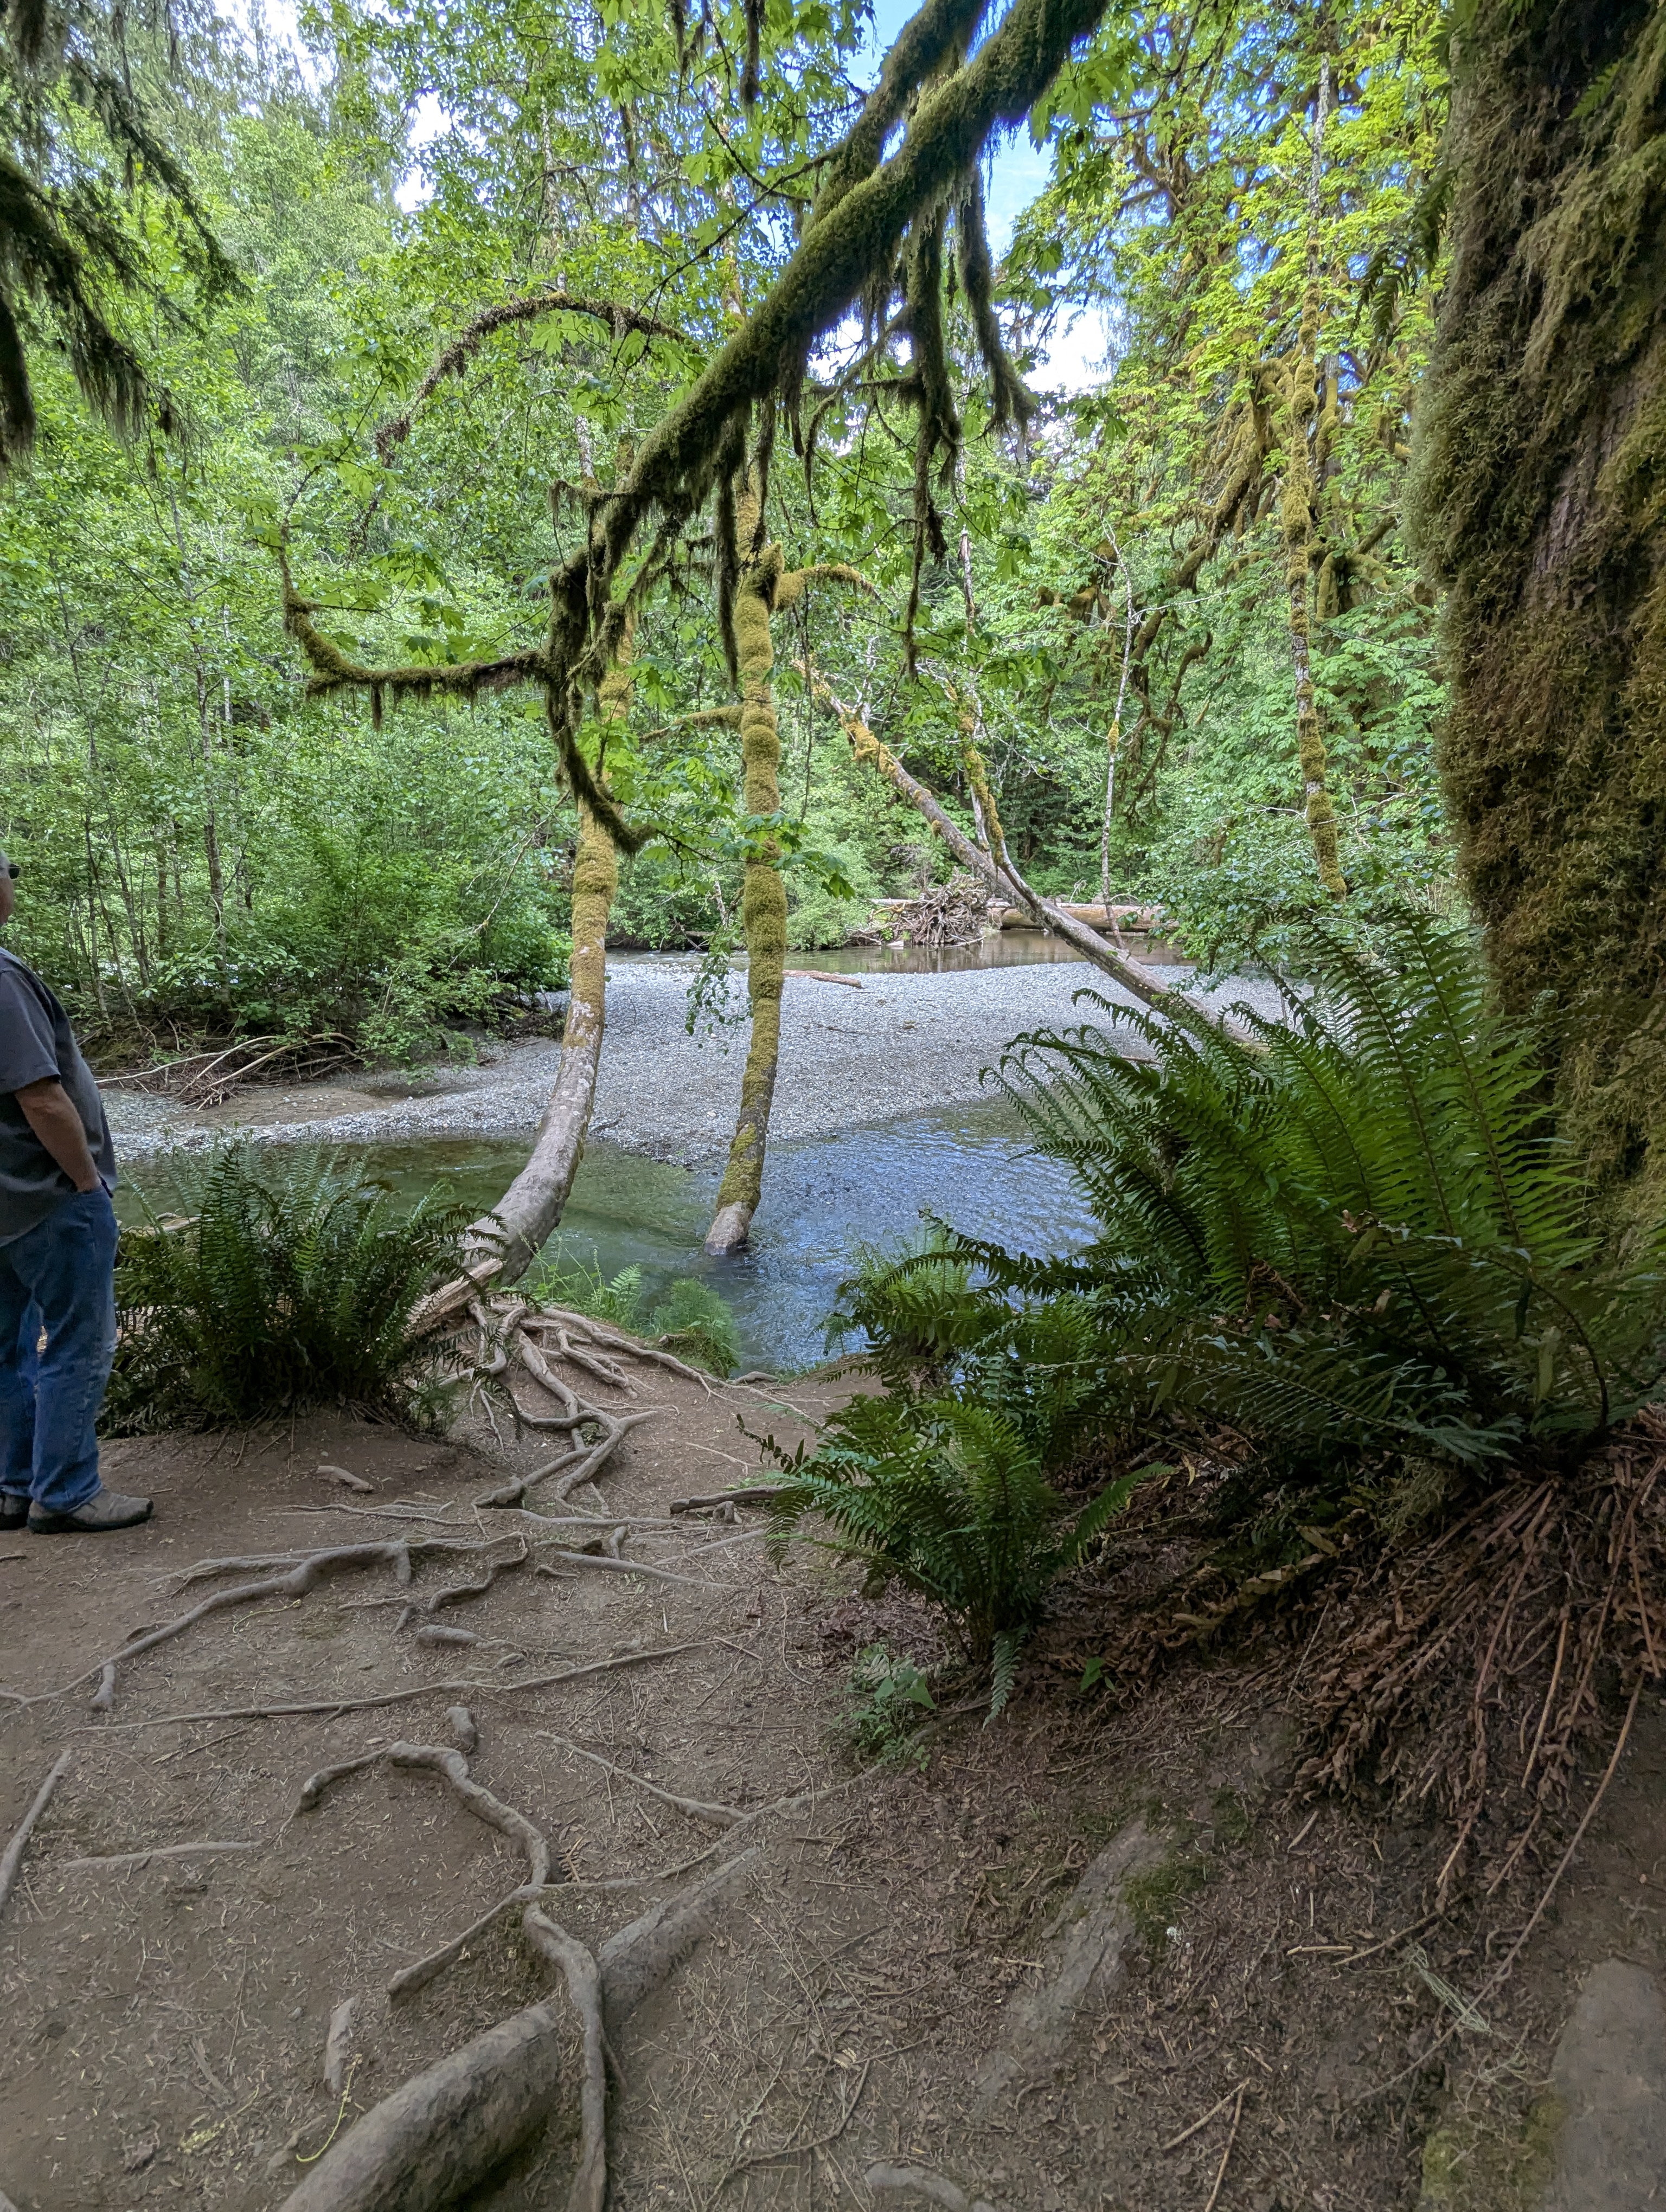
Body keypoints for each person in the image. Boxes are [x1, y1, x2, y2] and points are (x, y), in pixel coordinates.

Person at [0, 850, 151, 1532]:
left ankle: (14, 1486)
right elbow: (41, 1096)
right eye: (9, 872)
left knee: (8, 1347)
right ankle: (66, 1493)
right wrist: (87, 1185)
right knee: (79, 1343)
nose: (12, 883)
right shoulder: (2, 979)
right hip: (45, 1197)